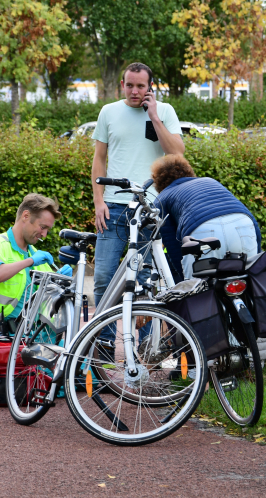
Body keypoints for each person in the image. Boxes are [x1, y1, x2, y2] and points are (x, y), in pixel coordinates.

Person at [150, 154, 266, 361]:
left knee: (199, 298)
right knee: (258, 282)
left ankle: (213, 359)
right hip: (243, 224)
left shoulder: (163, 197)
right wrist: (256, 267)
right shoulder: (210, 182)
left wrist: (182, 282)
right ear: (188, 171)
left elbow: (171, 245)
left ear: (159, 182)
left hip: (202, 232)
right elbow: (248, 218)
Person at [90, 62, 184, 311]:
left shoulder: (164, 111)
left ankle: (144, 346)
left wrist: (153, 116)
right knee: (103, 279)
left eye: (140, 86)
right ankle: (104, 343)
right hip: (113, 207)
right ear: (122, 84)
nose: (134, 91)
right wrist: (98, 201)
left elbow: (177, 153)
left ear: (150, 87)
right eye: (129, 85)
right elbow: (99, 159)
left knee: (146, 281)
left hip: (150, 208)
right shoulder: (108, 112)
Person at [0, 193, 72, 345]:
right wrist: (29, 261)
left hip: (31, 338)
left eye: (47, 230)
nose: (44, 234)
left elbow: (45, 299)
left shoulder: (35, 255)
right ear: (25, 216)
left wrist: (61, 279)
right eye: (42, 227)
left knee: (78, 360)